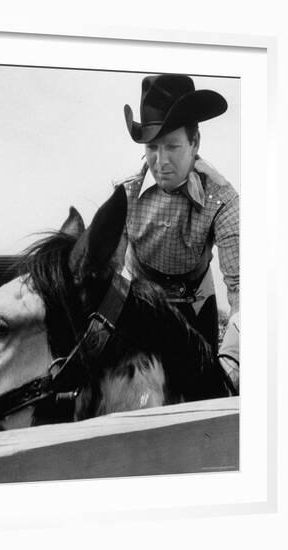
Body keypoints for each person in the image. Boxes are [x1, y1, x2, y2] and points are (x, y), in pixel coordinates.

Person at [117, 73, 239, 392]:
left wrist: (232, 363)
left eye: (173, 146)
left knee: (208, 392)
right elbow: (106, 274)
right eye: (152, 147)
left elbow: (243, 293)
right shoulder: (124, 196)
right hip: (141, 302)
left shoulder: (222, 200)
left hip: (197, 303)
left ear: (195, 142)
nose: (161, 162)